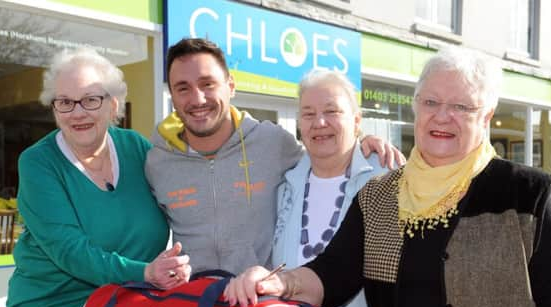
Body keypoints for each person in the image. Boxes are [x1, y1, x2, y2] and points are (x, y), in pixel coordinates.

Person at [225, 47, 551, 307]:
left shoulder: (526, 194)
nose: (441, 116)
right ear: (416, 108)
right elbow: (330, 274)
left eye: (461, 106)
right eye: (431, 102)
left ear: (486, 115)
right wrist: (277, 281)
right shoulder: (378, 197)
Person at [7, 48, 191, 307]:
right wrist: (147, 273)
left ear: (114, 105)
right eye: (64, 102)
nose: (77, 112)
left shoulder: (138, 149)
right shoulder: (38, 163)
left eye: (91, 99)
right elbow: (69, 250)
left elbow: (184, 203)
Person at [145, 37, 403, 275]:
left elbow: (326, 152)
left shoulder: (273, 142)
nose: (198, 98)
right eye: (183, 88)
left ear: (231, 86)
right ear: (172, 95)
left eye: (207, 84)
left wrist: (361, 141)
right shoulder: (157, 162)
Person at [272, 69, 389, 307]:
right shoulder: (285, 182)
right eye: (308, 113)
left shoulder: (384, 181)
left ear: (356, 121)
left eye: (332, 111)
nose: (319, 122)